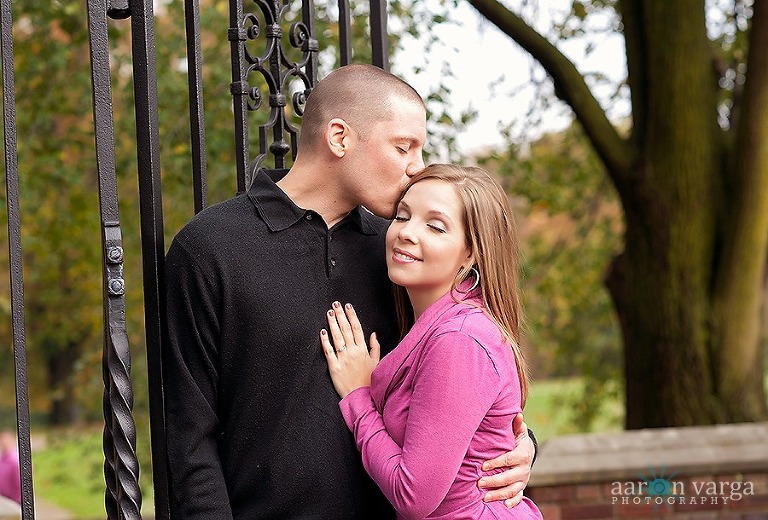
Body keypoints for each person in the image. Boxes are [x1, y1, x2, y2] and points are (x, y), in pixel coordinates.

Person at [164, 64, 535, 519]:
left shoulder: (401, 256)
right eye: (404, 147)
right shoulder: (212, 247)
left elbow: (463, 374)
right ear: (339, 138)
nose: (416, 167)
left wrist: (522, 443)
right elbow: (190, 433)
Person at [320, 164, 543, 519]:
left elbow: (414, 497)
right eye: (402, 216)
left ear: (471, 254)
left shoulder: (459, 340)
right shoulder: (440, 322)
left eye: (435, 226)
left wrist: (358, 397)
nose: (407, 232)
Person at [0, 430, 21, 505]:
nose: (3, 443)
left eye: (6, 440)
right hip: (4, 499)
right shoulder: (2, 458)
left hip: (15, 499)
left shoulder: (15, 459)